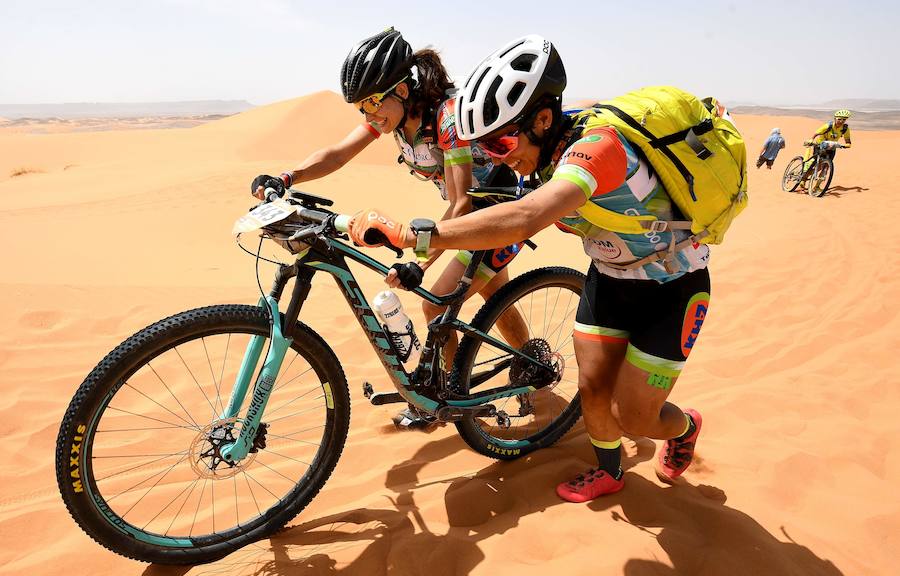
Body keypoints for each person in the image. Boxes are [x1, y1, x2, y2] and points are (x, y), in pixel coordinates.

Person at [347, 34, 713, 502]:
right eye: (489, 148)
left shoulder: (597, 150)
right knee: (592, 391)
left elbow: (525, 217)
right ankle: (610, 471)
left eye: (502, 143)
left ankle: (683, 427)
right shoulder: (537, 153)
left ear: (542, 119)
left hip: (672, 288)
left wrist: (412, 238)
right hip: (610, 279)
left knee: (636, 418)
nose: (500, 159)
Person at [251, 28, 528, 429]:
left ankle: (454, 395)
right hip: (466, 217)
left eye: (372, 103)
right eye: (361, 107)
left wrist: (421, 261)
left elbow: (462, 202)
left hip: (500, 212)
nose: (368, 115)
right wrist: (287, 177)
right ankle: (533, 364)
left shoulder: (447, 118)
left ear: (401, 90)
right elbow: (336, 155)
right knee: (495, 291)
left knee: (436, 302)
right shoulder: (390, 119)